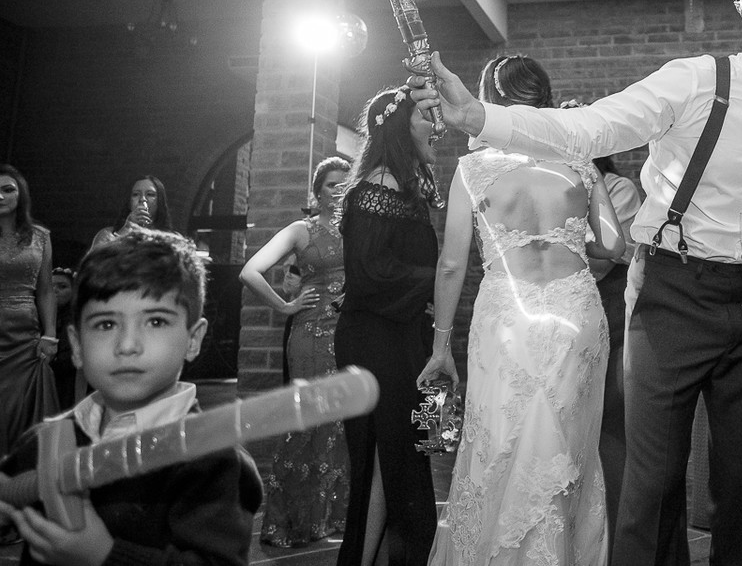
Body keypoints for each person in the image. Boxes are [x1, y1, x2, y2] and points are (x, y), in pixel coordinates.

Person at [412, 0, 742, 565]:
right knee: (652, 482)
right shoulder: (693, 80)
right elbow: (589, 132)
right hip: (673, 294)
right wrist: (480, 116)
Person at [417, 55, 625, 564]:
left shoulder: (472, 169)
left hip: (507, 316)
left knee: (500, 437)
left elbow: (450, 265)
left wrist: (441, 346)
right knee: (568, 443)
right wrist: (570, 238)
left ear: (487, 99)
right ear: (545, 99)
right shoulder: (579, 162)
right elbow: (615, 245)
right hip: (576, 311)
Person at [0, 229, 263, 566]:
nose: (127, 345)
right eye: (106, 324)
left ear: (193, 340)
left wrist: (103, 556)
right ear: (77, 346)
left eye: (155, 321)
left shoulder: (212, 460)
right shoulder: (45, 440)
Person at [335, 86, 442, 566]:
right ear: (400, 125)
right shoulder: (379, 186)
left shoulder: (401, 186)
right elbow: (370, 272)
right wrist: (443, 278)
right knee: (387, 452)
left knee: (407, 449)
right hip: (376, 338)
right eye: (425, 116)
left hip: (403, 333)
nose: (435, 125)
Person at [240, 156, 351, 547]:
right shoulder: (301, 230)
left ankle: (331, 516)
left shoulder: (358, 228)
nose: (339, 190)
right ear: (317, 192)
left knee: (342, 422)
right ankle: (289, 521)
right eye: (331, 184)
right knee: (307, 419)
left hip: (351, 334)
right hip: (311, 333)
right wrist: (285, 306)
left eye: (345, 183)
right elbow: (250, 271)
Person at [589, 154, 642, 552]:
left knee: (611, 422)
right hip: (568, 316)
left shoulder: (617, 188)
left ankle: (617, 534)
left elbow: (602, 264)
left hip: (611, 314)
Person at [0, 164, 58, 461]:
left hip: (25, 336)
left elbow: (46, 290)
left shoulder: (40, 236)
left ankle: (18, 475)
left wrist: (50, 334)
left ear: (20, 194)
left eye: (8, 189)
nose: (0, 196)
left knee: (19, 407)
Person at [90, 175, 174, 251]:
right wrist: (127, 228)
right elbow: (97, 263)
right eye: (136, 194)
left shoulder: (171, 241)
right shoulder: (107, 235)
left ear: (160, 202)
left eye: (150, 194)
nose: (142, 199)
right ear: (129, 203)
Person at [50, 267, 80, 409]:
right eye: (50, 286)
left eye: (62, 286)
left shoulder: (79, 320)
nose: (55, 290)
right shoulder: (34, 320)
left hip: (72, 384)